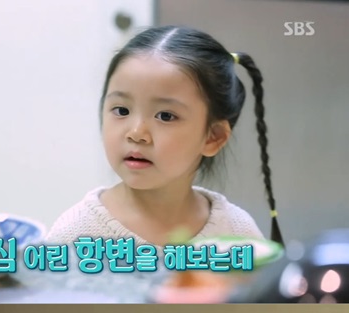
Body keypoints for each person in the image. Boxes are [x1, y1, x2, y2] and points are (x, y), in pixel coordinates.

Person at [48, 25, 283, 252]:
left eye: (165, 116)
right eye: (121, 110)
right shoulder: (75, 236)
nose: (136, 133)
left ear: (213, 137)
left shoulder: (237, 234)